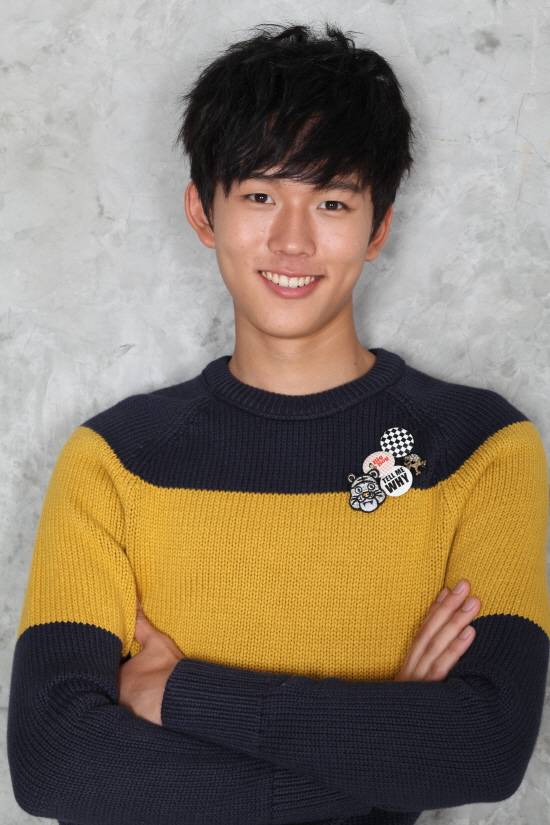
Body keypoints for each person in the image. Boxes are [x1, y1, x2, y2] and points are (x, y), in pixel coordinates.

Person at [7, 21, 550, 825]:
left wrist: (179, 693)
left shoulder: (479, 451)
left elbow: (486, 747)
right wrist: (387, 746)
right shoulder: (114, 461)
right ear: (203, 212)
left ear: (379, 226)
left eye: (332, 202)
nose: (293, 241)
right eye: (260, 196)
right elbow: (54, 764)